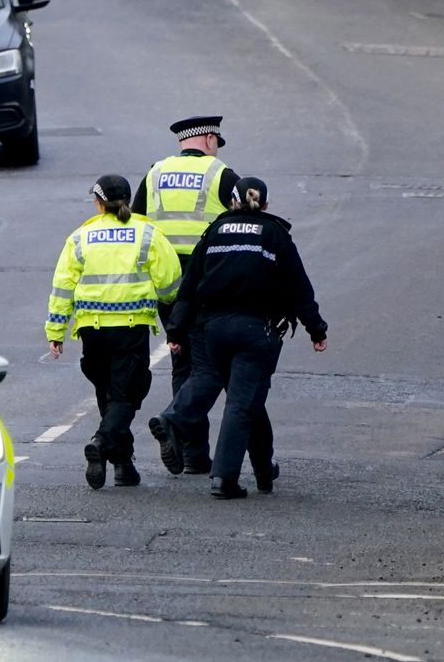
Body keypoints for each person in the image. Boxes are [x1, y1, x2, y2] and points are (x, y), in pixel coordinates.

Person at [149, 177, 328, 500]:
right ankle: (224, 478)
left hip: (213, 330)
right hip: (257, 331)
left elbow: (188, 289)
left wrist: (175, 330)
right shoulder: (274, 234)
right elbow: (299, 288)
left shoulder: (214, 231)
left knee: (245, 396)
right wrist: (316, 329)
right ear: (266, 204)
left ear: (232, 202)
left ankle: (263, 471)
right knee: (242, 403)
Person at [47, 174, 183, 490]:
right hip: (131, 328)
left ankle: (122, 465)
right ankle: (102, 441)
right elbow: (170, 286)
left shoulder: (80, 237)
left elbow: (62, 289)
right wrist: (176, 323)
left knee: (108, 392)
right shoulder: (148, 234)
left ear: (98, 203)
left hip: (92, 332)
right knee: (127, 393)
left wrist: (56, 331)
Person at [132, 115, 242, 473]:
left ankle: (194, 454)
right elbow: (247, 224)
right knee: (211, 366)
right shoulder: (220, 174)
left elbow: (135, 220)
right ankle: (178, 427)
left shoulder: (155, 172)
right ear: (209, 139)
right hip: (207, 282)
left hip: (166, 284)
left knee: (182, 361)